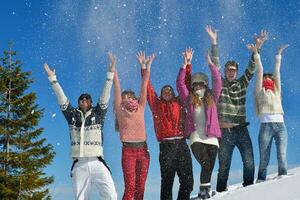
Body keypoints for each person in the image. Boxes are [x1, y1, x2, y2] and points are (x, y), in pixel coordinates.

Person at [44, 52, 117, 200]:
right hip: (80, 164)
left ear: (91, 102)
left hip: (97, 162)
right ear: (78, 103)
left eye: (87, 98)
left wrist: (110, 73)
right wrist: (53, 79)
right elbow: (61, 98)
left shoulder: (98, 114)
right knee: (81, 198)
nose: (84, 100)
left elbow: (105, 95)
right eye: (81, 98)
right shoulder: (71, 115)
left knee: (111, 195)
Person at [208, 26, 269, 192]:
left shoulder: (242, 84)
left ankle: (248, 192)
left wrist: (258, 48)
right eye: (228, 70)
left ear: (236, 72)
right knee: (224, 165)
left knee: (249, 161)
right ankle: (221, 192)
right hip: (225, 131)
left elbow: (252, 68)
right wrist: (214, 42)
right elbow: (215, 66)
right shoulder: (219, 85)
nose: (230, 72)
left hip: (242, 129)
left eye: (233, 70)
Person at [138, 51, 193, 200]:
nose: (167, 92)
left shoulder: (179, 102)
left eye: (169, 90)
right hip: (166, 147)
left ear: (173, 93)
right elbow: (147, 87)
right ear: (161, 94)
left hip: (181, 144)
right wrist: (144, 67)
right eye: (164, 91)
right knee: (167, 182)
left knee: (187, 181)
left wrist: (187, 64)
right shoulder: (156, 104)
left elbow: (186, 85)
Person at [177, 47, 222, 199]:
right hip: (196, 137)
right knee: (205, 163)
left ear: (205, 85)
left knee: (209, 166)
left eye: (200, 84)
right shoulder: (189, 100)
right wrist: (184, 65)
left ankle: (206, 190)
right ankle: (204, 191)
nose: (198, 87)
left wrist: (210, 63)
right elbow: (180, 84)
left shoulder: (213, 98)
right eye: (195, 85)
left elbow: (218, 81)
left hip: (212, 138)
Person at [247, 41, 289, 182]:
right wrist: (256, 53)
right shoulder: (259, 92)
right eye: (265, 78)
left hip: (281, 127)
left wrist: (278, 55)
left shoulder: (277, 91)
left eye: (269, 78)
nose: (267, 79)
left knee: (282, 155)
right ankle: (260, 181)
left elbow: (277, 71)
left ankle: (283, 179)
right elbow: (260, 70)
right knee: (264, 157)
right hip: (266, 127)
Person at [113, 53, 152, 200]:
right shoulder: (120, 110)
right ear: (122, 100)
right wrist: (114, 70)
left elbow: (144, 85)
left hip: (143, 150)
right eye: (126, 97)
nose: (129, 98)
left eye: (131, 96)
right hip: (128, 151)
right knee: (130, 186)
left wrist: (147, 67)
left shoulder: (141, 106)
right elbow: (117, 88)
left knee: (141, 187)